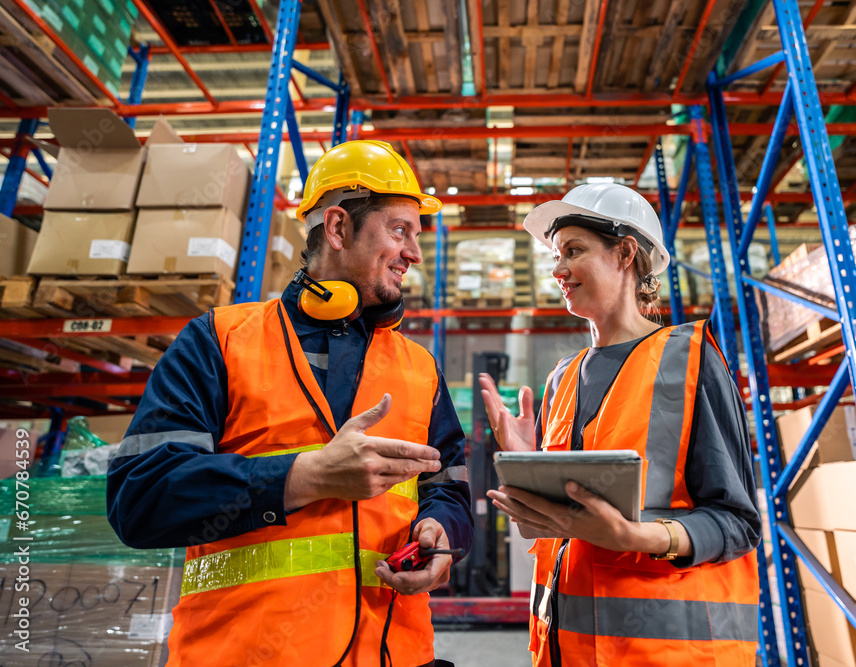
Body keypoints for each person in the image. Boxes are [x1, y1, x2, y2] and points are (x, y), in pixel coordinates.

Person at [107, 140, 473, 667]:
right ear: (339, 227)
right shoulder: (221, 341)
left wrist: (442, 535)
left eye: (416, 235)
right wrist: (305, 477)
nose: (414, 253)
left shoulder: (420, 368)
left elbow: (451, 490)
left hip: (393, 655)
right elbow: (138, 498)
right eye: (399, 230)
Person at [479, 183, 761, 666]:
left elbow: (738, 523)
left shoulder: (689, 360)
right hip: (565, 651)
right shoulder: (562, 378)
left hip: (666, 654)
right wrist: (526, 470)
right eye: (556, 255)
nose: (558, 270)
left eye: (574, 250)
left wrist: (640, 539)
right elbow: (557, 527)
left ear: (625, 253)